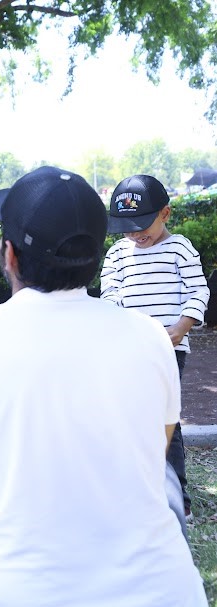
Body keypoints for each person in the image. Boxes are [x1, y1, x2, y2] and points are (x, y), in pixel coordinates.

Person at [0, 167, 207, 607]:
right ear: (94, 255)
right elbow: (150, 463)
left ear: (9, 255)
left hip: (16, 593)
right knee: (161, 482)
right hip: (164, 591)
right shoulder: (154, 340)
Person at [101, 174, 210, 519]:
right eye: (126, 227)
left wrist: (180, 328)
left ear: (165, 213)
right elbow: (109, 294)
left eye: (141, 224)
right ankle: (135, 487)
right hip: (129, 349)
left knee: (165, 419)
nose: (134, 233)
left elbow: (198, 291)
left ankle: (176, 492)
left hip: (168, 349)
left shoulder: (179, 247)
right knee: (130, 416)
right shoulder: (118, 253)